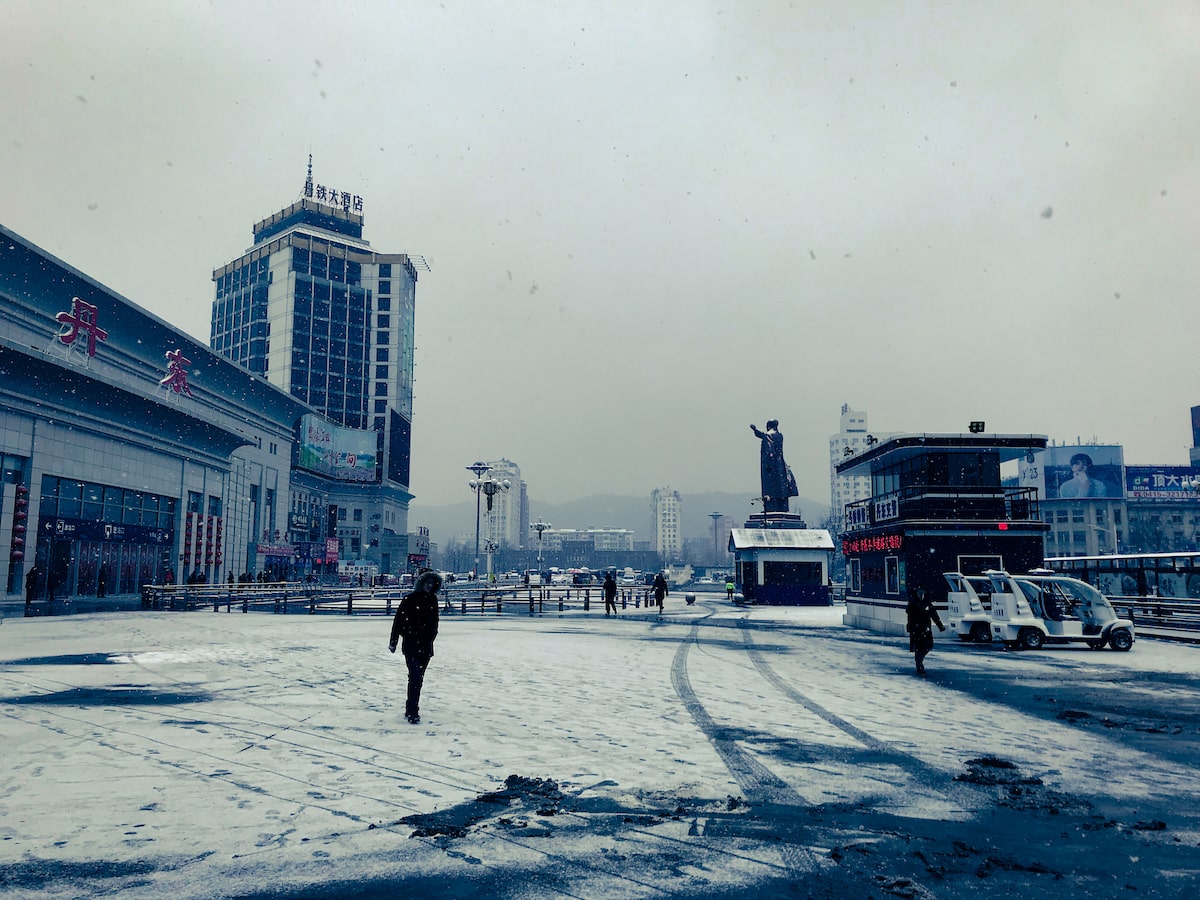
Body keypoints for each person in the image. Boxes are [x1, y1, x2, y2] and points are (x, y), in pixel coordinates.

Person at [389, 570, 441, 724]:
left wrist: (432, 635)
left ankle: (411, 706)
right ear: (421, 583)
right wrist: (394, 640)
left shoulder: (433, 600)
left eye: (432, 583)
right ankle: (412, 710)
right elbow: (398, 621)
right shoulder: (410, 599)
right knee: (415, 676)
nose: (430, 586)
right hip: (411, 644)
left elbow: (435, 622)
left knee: (418, 678)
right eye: (427, 583)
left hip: (426, 646)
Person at [750, 420, 797, 513]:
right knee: (781, 489)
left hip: (772, 467)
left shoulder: (768, 436)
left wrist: (768, 465)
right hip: (780, 465)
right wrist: (755, 430)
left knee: (771, 489)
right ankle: (782, 507)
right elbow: (764, 436)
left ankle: (771, 508)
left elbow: (769, 450)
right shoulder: (779, 435)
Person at [905, 585, 945, 675]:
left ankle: (919, 661)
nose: (921, 593)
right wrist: (910, 627)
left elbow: (934, 614)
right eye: (919, 591)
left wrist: (940, 625)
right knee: (919, 647)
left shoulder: (927, 602)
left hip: (926, 628)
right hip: (916, 629)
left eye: (922, 591)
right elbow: (909, 615)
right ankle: (919, 664)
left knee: (928, 646)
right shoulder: (913, 603)